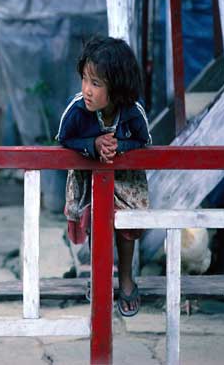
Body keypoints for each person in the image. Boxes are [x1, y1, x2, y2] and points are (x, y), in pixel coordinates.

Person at [56, 35, 151, 317]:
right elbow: (63, 139)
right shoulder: (76, 110)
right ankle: (99, 278)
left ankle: (125, 280)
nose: (86, 90)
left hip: (125, 180)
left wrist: (120, 147)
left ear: (117, 88)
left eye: (95, 84)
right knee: (96, 224)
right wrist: (92, 145)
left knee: (124, 229)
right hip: (90, 179)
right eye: (84, 79)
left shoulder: (133, 112)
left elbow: (144, 142)